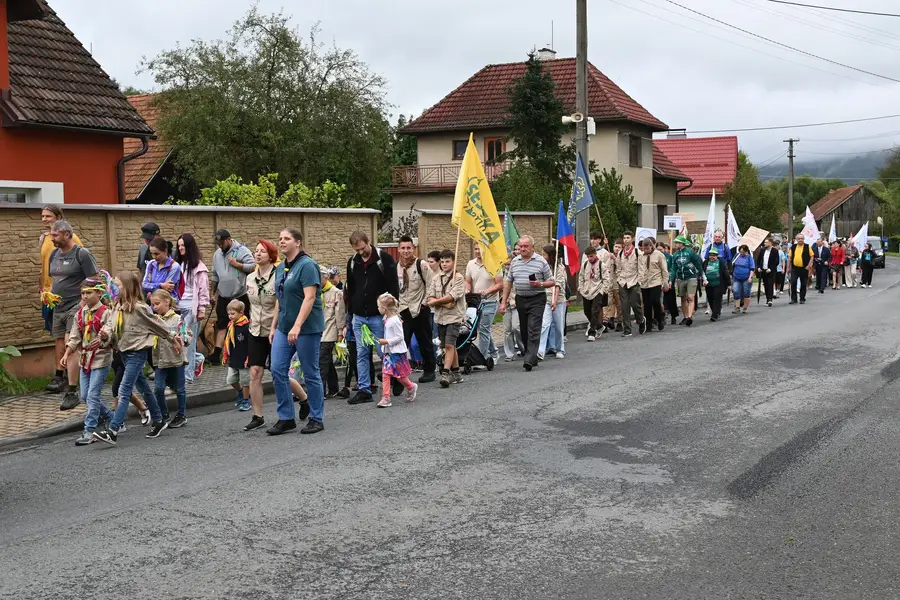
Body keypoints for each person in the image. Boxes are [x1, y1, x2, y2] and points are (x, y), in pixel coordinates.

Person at [93, 272, 181, 445]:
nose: (113, 288)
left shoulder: (140, 308)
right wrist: (105, 335)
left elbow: (157, 324)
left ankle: (113, 430)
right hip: (124, 353)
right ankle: (158, 420)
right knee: (144, 388)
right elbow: (110, 327)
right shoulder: (116, 307)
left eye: (117, 285)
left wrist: (173, 338)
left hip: (137, 353)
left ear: (127, 287)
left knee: (124, 390)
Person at [267, 228, 326, 435]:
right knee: (277, 369)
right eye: (280, 238)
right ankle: (286, 417)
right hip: (284, 328)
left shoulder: (307, 265)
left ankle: (316, 418)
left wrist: (298, 325)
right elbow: (280, 298)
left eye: (287, 238)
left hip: (307, 328)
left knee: (310, 372)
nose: (282, 241)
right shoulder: (280, 267)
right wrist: (273, 326)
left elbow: (310, 297)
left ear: (298, 242)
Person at [48, 221, 100, 410]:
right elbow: (54, 279)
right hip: (57, 306)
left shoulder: (81, 254)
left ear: (67, 235)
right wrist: (48, 293)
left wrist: (84, 302)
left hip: (75, 305)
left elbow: (94, 278)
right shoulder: (54, 254)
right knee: (60, 343)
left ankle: (72, 391)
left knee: (71, 342)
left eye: (55, 235)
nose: (52, 238)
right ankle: (63, 378)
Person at [346, 230, 399, 404]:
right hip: (359, 315)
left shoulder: (384, 259)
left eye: (363, 248)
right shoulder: (353, 262)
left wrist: (392, 312)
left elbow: (393, 286)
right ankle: (364, 389)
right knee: (361, 353)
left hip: (378, 315)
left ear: (368, 242)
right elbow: (351, 288)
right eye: (357, 250)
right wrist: (351, 311)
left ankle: (397, 377)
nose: (361, 252)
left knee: (383, 351)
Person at [61, 279, 113, 446]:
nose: (85, 296)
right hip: (85, 359)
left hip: (101, 358)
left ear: (99, 293)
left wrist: (104, 336)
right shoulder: (80, 314)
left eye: (89, 293)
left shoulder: (106, 312)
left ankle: (89, 430)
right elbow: (75, 337)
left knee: (92, 395)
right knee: (85, 396)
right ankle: (112, 418)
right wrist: (67, 354)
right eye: (83, 293)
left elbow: (110, 332)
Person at [500, 235, 554, 372]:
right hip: (521, 299)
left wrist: (540, 284)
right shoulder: (515, 262)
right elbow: (508, 282)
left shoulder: (541, 261)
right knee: (523, 330)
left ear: (532, 247)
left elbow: (552, 281)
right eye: (521, 246)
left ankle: (529, 359)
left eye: (526, 246)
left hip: (537, 299)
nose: (523, 249)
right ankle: (531, 355)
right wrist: (503, 302)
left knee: (533, 328)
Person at [209, 230, 255, 365]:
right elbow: (215, 275)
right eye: (218, 243)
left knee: (243, 325)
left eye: (222, 243)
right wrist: (212, 293)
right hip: (224, 295)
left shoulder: (242, 251)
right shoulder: (217, 254)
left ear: (229, 239)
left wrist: (238, 265)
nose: (220, 245)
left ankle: (246, 353)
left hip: (240, 295)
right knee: (222, 324)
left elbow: (253, 267)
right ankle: (217, 354)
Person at [39, 205, 82, 340]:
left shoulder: (71, 238)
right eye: (42, 216)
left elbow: (81, 262)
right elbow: (43, 266)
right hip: (48, 293)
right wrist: (41, 289)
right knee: (54, 332)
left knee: (69, 334)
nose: (44, 219)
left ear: (58, 217)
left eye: (48, 216)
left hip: (66, 294)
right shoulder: (44, 238)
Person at [397, 235, 436, 383]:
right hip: (403, 310)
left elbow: (431, 284)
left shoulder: (421, 264)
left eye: (409, 248)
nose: (406, 251)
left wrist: (425, 303)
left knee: (424, 342)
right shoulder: (396, 267)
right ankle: (397, 373)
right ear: (398, 249)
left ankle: (429, 370)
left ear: (413, 249)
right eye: (403, 248)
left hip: (419, 308)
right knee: (401, 344)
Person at [149, 289, 190, 429]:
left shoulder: (177, 319)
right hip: (160, 360)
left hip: (176, 359)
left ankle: (182, 415)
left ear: (167, 302)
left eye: (157, 304)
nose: (155, 307)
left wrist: (182, 339)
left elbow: (187, 335)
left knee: (180, 388)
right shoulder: (154, 320)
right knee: (158, 388)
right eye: (153, 305)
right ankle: (164, 414)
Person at [427, 249, 466, 387]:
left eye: (447, 261)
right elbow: (430, 297)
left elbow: (452, 297)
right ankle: (457, 373)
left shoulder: (458, 278)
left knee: (449, 345)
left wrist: (437, 302)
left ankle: (445, 373)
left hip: (454, 317)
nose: (444, 264)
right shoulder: (436, 278)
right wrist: (443, 302)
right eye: (442, 262)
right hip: (440, 317)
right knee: (448, 346)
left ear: (453, 262)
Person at [175, 233, 209, 382]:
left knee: (188, 342)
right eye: (179, 246)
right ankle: (197, 358)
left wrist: (201, 309)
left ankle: (187, 376)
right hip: (178, 308)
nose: (180, 248)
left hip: (191, 309)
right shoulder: (177, 265)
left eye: (183, 245)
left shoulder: (198, 267)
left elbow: (203, 290)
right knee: (178, 341)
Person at [375, 293, 418, 407]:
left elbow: (400, 337)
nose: (378, 309)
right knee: (386, 373)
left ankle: (411, 386)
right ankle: (386, 397)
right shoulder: (387, 318)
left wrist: (387, 341)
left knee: (399, 375)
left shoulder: (395, 320)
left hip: (396, 352)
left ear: (384, 308)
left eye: (379, 306)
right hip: (388, 352)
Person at [466, 244, 503, 364]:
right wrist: (467, 290)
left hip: (490, 301)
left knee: (484, 329)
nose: (477, 251)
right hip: (475, 302)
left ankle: (482, 358)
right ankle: (494, 352)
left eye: (480, 249)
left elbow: (499, 284)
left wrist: (487, 291)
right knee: (481, 329)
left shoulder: (494, 264)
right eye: (476, 249)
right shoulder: (471, 264)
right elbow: (468, 281)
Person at [320, 265, 346, 398]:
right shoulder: (314, 291)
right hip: (318, 331)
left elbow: (340, 314)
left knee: (322, 361)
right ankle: (333, 387)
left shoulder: (336, 293)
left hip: (329, 331)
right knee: (327, 360)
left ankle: (320, 391)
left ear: (325, 278)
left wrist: (340, 333)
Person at [614, 233, 647, 337]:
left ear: (632, 239)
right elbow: (618, 268)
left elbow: (641, 268)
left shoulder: (637, 253)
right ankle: (627, 329)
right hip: (623, 281)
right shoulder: (620, 253)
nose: (626, 240)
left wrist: (639, 281)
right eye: (624, 238)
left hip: (634, 281)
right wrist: (619, 279)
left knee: (635, 304)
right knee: (624, 307)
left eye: (628, 238)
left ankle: (641, 320)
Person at [538, 245, 567, 359]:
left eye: (544, 254)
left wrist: (555, 301)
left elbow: (558, 285)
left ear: (550, 255)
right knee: (545, 324)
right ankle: (540, 351)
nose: (542, 256)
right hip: (546, 299)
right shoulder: (543, 267)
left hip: (558, 300)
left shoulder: (559, 267)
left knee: (559, 326)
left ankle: (560, 349)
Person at [223, 299, 251, 412]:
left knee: (245, 381)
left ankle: (245, 400)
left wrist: (249, 358)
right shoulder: (230, 325)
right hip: (233, 358)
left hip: (244, 359)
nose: (230, 316)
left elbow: (250, 344)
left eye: (233, 313)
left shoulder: (246, 326)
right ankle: (240, 392)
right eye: (229, 314)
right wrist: (225, 355)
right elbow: (227, 341)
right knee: (231, 379)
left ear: (241, 313)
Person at [669, 235, 704, 326]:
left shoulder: (690, 252)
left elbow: (698, 265)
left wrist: (704, 277)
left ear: (682, 243)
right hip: (680, 278)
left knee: (691, 297)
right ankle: (685, 317)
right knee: (683, 298)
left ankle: (689, 316)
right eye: (675, 242)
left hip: (691, 277)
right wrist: (671, 280)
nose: (675, 244)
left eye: (677, 242)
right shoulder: (675, 255)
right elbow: (674, 268)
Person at [578, 245, 609, 342]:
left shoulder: (601, 265)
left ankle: (592, 332)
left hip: (597, 290)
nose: (590, 258)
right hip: (587, 291)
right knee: (587, 311)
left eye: (591, 256)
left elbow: (606, 279)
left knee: (595, 311)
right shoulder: (585, 265)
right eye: (588, 256)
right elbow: (581, 277)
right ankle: (599, 326)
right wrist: (581, 288)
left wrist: (603, 291)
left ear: (595, 254)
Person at [640, 238, 669, 332]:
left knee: (655, 301)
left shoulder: (659, 255)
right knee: (647, 304)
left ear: (651, 246)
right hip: (645, 283)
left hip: (656, 281)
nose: (646, 250)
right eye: (644, 248)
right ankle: (648, 323)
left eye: (648, 248)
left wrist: (665, 282)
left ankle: (659, 319)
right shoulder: (641, 256)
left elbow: (664, 269)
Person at [141, 237, 182, 302]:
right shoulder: (151, 264)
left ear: (165, 251)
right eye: (152, 254)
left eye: (156, 254)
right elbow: (144, 285)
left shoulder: (174, 266)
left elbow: (166, 290)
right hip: (154, 305)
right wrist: (161, 285)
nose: (154, 257)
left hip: (169, 304)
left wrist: (151, 292)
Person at [502, 245, 525, 358]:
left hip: (516, 304)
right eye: (505, 264)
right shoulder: (503, 275)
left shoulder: (517, 274)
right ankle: (509, 353)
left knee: (516, 327)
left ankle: (523, 348)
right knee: (507, 330)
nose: (507, 266)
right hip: (506, 304)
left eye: (509, 264)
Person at [702, 248, 731, 322]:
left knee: (717, 299)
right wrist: (702, 280)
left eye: (714, 255)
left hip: (718, 284)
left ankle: (714, 315)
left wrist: (729, 284)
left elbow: (726, 274)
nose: (712, 257)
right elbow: (702, 272)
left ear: (717, 256)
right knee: (710, 299)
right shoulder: (705, 262)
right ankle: (716, 311)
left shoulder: (721, 263)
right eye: (710, 255)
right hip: (708, 284)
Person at [754, 238, 780, 308]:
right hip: (764, 270)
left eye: (766, 242)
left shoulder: (775, 251)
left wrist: (771, 268)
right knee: (766, 285)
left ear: (770, 243)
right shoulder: (762, 250)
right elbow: (758, 259)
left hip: (771, 271)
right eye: (764, 242)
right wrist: (758, 267)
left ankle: (770, 300)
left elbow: (776, 261)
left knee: (770, 284)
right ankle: (767, 298)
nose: (764, 243)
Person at [789, 234, 813, 304]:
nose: (800, 240)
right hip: (795, 268)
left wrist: (809, 265)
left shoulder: (807, 247)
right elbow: (790, 257)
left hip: (804, 268)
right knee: (793, 282)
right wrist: (788, 267)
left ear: (803, 239)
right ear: (796, 239)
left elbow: (812, 256)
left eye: (802, 238)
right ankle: (794, 299)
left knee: (803, 283)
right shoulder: (793, 247)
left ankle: (802, 298)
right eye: (799, 239)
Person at [659, 243, 679, 325]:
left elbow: (672, 269)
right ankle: (662, 316)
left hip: (669, 281)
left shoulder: (669, 257)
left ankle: (673, 316)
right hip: (659, 281)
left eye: (661, 249)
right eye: (658, 249)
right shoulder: (655, 257)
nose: (659, 251)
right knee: (662, 301)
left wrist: (670, 280)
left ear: (664, 249)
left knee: (671, 300)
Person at [731, 245, 755, 314]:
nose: (741, 253)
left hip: (746, 278)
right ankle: (737, 307)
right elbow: (732, 265)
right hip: (736, 277)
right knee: (736, 291)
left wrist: (750, 277)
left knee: (746, 292)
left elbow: (752, 268)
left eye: (743, 252)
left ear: (746, 251)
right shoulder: (736, 256)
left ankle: (745, 307)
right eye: (740, 252)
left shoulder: (749, 258)